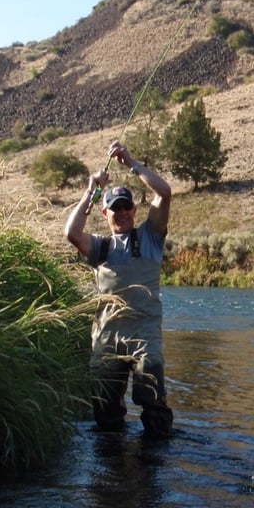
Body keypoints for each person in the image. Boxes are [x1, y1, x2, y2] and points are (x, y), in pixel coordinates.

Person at [64, 140, 173, 437]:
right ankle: (112, 465)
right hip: (107, 335)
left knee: (150, 396)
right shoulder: (100, 247)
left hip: (144, 333)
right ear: (105, 213)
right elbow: (71, 232)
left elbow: (164, 192)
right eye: (115, 208)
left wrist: (132, 163)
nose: (122, 212)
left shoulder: (151, 236)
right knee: (105, 408)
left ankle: (156, 461)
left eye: (126, 207)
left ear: (134, 210)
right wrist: (90, 190)